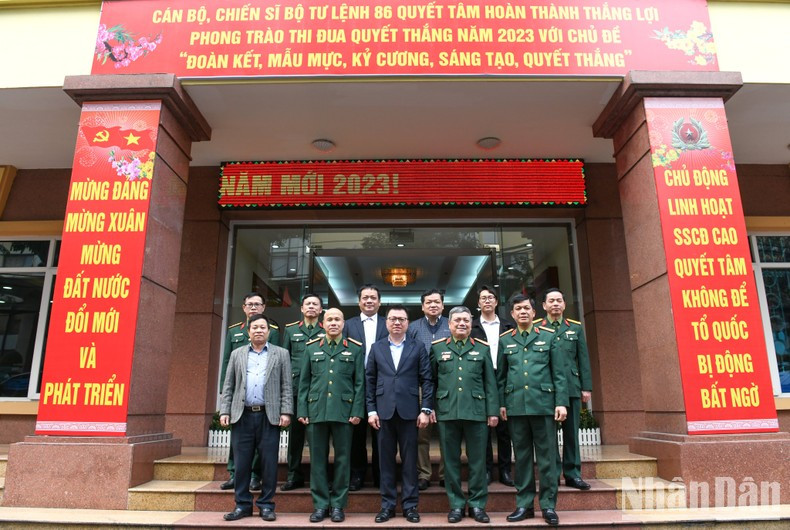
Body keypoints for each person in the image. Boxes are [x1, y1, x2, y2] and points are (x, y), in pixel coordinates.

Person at [498, 294, 568, 526]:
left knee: (547, 459)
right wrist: (501, 404)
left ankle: (548, 505)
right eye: (518, 309)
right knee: (523, 458)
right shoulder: (506, 340)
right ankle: (524, 504)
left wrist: (561, 402)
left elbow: (559, 373)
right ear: (512, 314)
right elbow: (502, 377)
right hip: (516, 407)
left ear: (534, 312)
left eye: (526, 308)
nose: (523, 312)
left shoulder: (549, 337)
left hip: (544, 406)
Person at [219, 314, 292, 522]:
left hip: (269, 417)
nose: (259, 330)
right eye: (255, 327)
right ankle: (242, 505)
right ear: (248, 331)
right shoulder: (237, 354)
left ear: (269, 331)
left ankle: (266, 505)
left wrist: (286, 412)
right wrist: (225, 411)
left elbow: (286, 386)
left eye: (263, 327)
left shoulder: (281, 354)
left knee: (269, 463)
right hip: (242, 416)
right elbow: (229, 385)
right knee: (242, 464)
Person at [431, 306, 499, 524]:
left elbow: (491, 383)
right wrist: (430, 407)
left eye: (466, 320)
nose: (462, 324)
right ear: (449, 325)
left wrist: (492, 411)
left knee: (477, 461)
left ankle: (478, 505)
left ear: (471, 324)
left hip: (476, 412)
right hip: (447, 411)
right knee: (449, 462)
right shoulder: (437, 348)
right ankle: (457, 505)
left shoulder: (482, 348)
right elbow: (430, 382)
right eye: (457, 320)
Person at [366, 305, 433, 524]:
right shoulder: (376, 348)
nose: (397, 322)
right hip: (383, 412)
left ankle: (410, 506)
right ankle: (387, 506)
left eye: (402, 319)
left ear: (407, 323)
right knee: (385, 462)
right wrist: (371, 409)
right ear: (386, 323)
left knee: (409, 461)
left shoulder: (418, 346)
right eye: (393, 319)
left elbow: (427, 379)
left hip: (410, 412)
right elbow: (370, 380)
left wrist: (426, 409)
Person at [297, 308, 364, 523]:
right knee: (317, 460)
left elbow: (360, 383)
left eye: (337, 319)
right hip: (316, 411)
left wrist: (356, 411)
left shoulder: (354, 349)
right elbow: (304, 382)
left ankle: (338, 505)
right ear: (323, 323)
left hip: (344, 412)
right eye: (329, 320)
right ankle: (320, 504)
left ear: (343, 324)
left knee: (343, 460)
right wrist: (302, 410)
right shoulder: (311, 348)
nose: (333, 323)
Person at [219, 292, 281, 491]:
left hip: (265, 401)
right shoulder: (234, 332)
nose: (253, 307)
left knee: (261, 445)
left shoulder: (273, 331)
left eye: (257, 304)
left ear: (264, 307)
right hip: (240, 397)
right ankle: (233, 473)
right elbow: (227, 362)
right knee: (238, 444)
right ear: (244, 307)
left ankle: (255, 475)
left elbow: (275, 363)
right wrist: (224, 395)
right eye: (250, 304)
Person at [539, 287, 593, 491]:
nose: (555, 304)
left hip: (571, 387)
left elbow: (583, 359)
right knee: (549, 435)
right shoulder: (538, 328)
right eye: (550, 301)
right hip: (547, 389)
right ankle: (553, 474)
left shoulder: (575, 328)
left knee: (571, 432)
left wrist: (586, 387)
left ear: (564, 304)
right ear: (544, 305)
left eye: (558, 300)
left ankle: (573, 473)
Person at [343, 284, 387, 491]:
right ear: (359, 301)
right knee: (356, 433)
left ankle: (381, 475)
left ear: (379, 302)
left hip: (383, 385)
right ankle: (357, 474)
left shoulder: (388, 324)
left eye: (373, 298)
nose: (369, 301)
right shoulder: (348, 325)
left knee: (382, 433)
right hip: (354, 385)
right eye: (365, 298)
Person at [470, 284, 515, 487]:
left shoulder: (508, 326)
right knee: (484, 429)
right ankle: (487, 470)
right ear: (478, 303)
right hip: (479, 380)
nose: (487, 300)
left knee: (505, 429)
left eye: (490, 297)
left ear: (496, 302)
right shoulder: (471, 327)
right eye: (483, 298)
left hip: (503, 378)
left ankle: (505, 470)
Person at [407, 288, 451, 490]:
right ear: (422, 306)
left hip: (447, 387)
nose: (433, 305)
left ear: (443, 305)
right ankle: (424, 473)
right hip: (421, 386)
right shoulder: (413, 327)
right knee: (421, 435)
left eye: (437, 302)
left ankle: (445, 473)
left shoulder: (451, 325)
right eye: (429, 302)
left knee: (446, 433)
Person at [280, 293, 325, 491]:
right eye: (308, 304)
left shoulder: (327, 330)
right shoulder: (290, 331)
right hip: (297, 389)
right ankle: (293, 474)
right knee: (296, 436)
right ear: (302, 308)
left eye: (315, 304)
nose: (311, 307)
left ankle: (321, 476)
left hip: (319, 390)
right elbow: (284, 360)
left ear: (321, 310)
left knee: (320, 436)